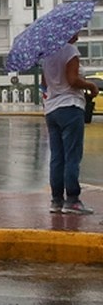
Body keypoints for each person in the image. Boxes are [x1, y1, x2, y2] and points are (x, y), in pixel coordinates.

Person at [41, 33, 99, 215]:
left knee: (57, 157)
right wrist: (91, 86)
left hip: (51, 110)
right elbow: (73, 80)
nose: (78, 36)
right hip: (70, 107)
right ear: (66, 32)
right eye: (75, 32)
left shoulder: (47, 55)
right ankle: (73, 200)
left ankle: (56, 200)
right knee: (72, 156)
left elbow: (44, 84)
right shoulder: (70, 50)